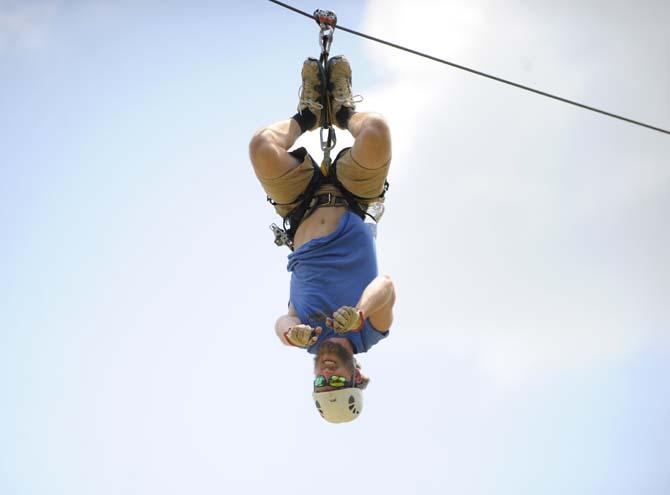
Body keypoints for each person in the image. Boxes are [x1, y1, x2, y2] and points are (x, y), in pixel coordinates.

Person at [248, 55, 396, 423]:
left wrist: (290, 332)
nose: (327, 374)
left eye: (321, 383)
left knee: (260, 147)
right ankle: (344, 112)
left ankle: (309, 116)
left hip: (299, 204)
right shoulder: (370, 333)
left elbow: (282, 322)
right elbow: (387, 287)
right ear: (356, 376)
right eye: (338, 382)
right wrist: (359, 313)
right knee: (376, 130)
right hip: (353, 198)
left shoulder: (306, 337)